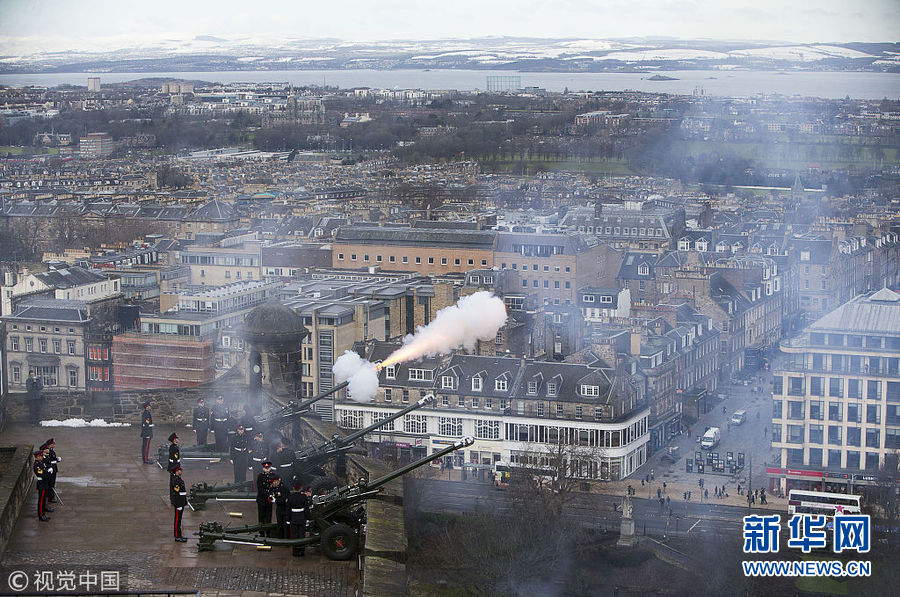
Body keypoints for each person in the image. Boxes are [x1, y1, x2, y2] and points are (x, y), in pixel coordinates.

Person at [287, 482, 311, 556]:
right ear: (301, 488)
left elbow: (288, 509)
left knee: (294, 535)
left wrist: (288, 519)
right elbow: (306, 509)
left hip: (293, 518)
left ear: (293, 488)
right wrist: (307, 518)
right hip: (302, 517)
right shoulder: (304, 497)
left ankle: (295, 551)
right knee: (301, 535)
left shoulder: (290, 497)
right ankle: (301, 551)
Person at [33, 447, 53, 521]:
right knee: (41, 500)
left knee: (44, 499)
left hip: (44, 483)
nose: (42, 457)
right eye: (41, 456)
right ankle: (41, 515)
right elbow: (42, 475)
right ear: (37, 457)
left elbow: (45, 470)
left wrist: (48, 471)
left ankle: (43, 512)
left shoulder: (41, 463)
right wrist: (49, 473)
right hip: (42, 483)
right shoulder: (37, 465)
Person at [256, 461, 275, 535]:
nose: (267, 469)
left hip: (269, 500)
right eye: (265, 468)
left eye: (268, 468)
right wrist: (268, 494)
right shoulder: (260, 476)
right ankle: (261, 532)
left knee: (268, 517)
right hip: (261, 499)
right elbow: (260, 488)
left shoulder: (273, 476)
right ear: (263, 468)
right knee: (261, 517)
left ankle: (268, 532)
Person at [169, 465, 188, 542]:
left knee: (179, 520)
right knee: (177, 520)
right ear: (176, 472)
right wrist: (178, 504)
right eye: (179, 470)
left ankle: (179, 535)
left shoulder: (178, 479)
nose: (181, 471)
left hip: (181, 502)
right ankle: (177, 536)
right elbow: (176, 493)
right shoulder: (176, 480)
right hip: (179, 502)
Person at [43, 438, 60, 503]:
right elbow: (48, 461)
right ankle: (50, 497)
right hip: (51, 468)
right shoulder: (47, 452)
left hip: (53, 467)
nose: (54, 445)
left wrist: (57, 459)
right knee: (51, 483)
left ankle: (51, 496)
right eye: (53, 444)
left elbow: (53, 458)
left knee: (52, 482)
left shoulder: (51, 450)